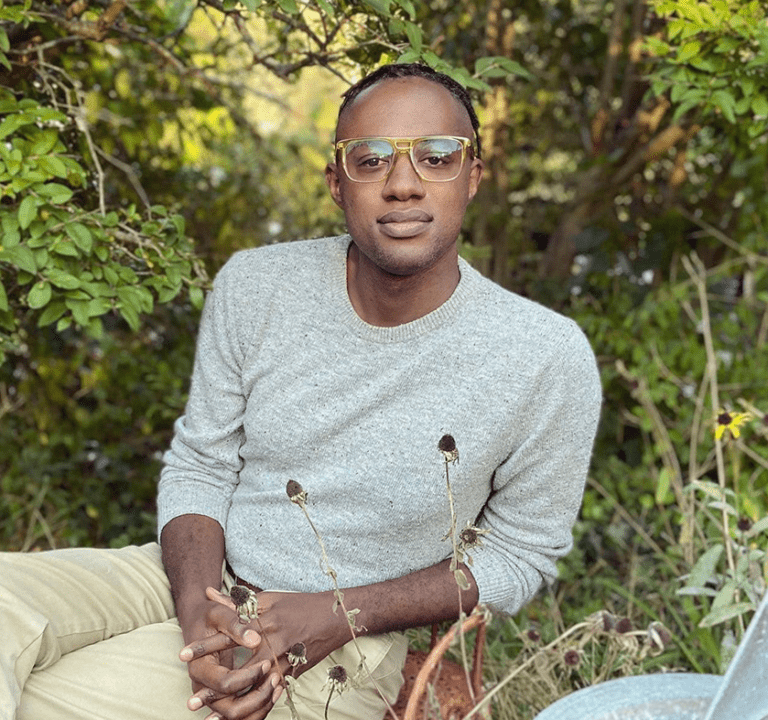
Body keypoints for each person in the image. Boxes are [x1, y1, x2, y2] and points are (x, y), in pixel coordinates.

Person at [0, 63, 602, 720]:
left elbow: (521, 553)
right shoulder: (257, 286)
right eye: (370, 160)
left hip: (343, 646)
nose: (403, 184)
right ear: (337, 184)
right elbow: (202, 464)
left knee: (44, 699)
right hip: (192, 578)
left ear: (473, 177)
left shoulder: (544, 354)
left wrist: (342, 612)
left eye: (436, 157)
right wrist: (200, 605)